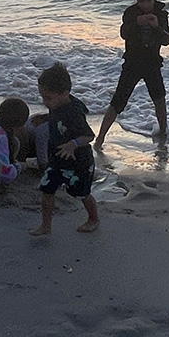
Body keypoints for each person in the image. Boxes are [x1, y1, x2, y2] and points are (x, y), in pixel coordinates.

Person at [94, 0, 169, 149]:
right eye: (141, 2)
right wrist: (137, 23)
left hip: (152, 64)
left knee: (159, 99)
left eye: (149, 1)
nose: (145, 5)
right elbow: (123, 34)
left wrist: (157, 26)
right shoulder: (130, 13)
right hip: (132, 63)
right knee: (118, 101)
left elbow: (167, 40)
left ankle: (163, 133)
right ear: (137, 0)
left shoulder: (161, 14)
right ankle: (100, 138)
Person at [29, 63, 99, 235]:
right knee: (47, 190)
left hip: (79, 163)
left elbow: (89, 136)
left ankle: (93, 218)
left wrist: (72, 144)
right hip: (57, 160)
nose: (45, 101)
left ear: (65, 93)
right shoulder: (56, 105)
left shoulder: (74, 113)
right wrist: (45, 118)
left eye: (48, 98)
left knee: (82, 194)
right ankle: (46, 225)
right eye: (42, 97)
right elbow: (57, 118)